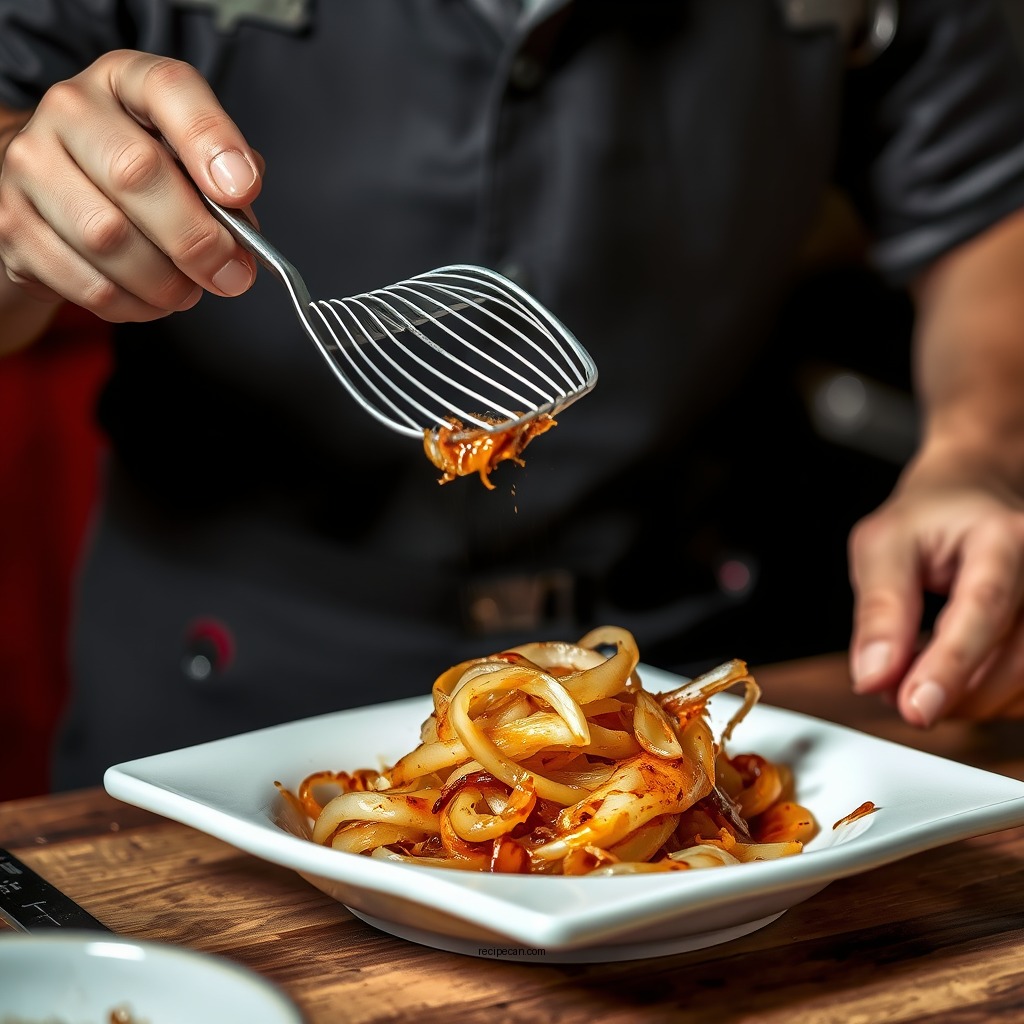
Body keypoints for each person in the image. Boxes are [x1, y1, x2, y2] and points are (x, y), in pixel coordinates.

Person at [3, 0, 1024, 791]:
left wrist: (978, 448)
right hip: (223, 684)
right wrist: (20, 206)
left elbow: (987, 208)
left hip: (696, 658)